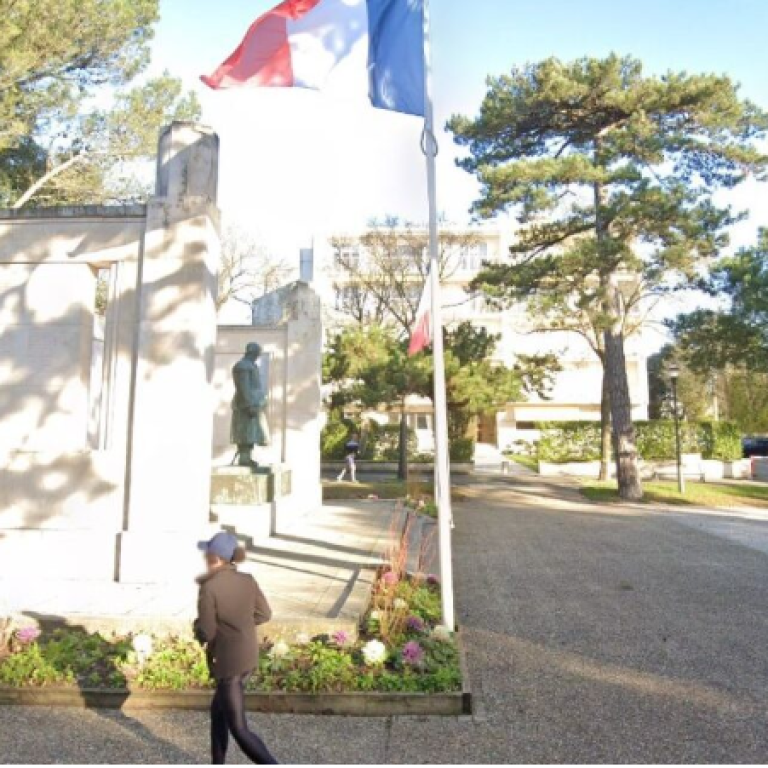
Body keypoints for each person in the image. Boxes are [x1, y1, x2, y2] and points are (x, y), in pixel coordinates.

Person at [194, 532, 278, 765]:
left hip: (228, 665)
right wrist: (240, 626)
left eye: (208, 553)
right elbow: (264, 614)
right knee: (218, 714)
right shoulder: (248, 580)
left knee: (240, 730)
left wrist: (198, 628)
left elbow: (207, 632)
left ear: (215, 557)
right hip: (248, 658)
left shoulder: (209, 589)